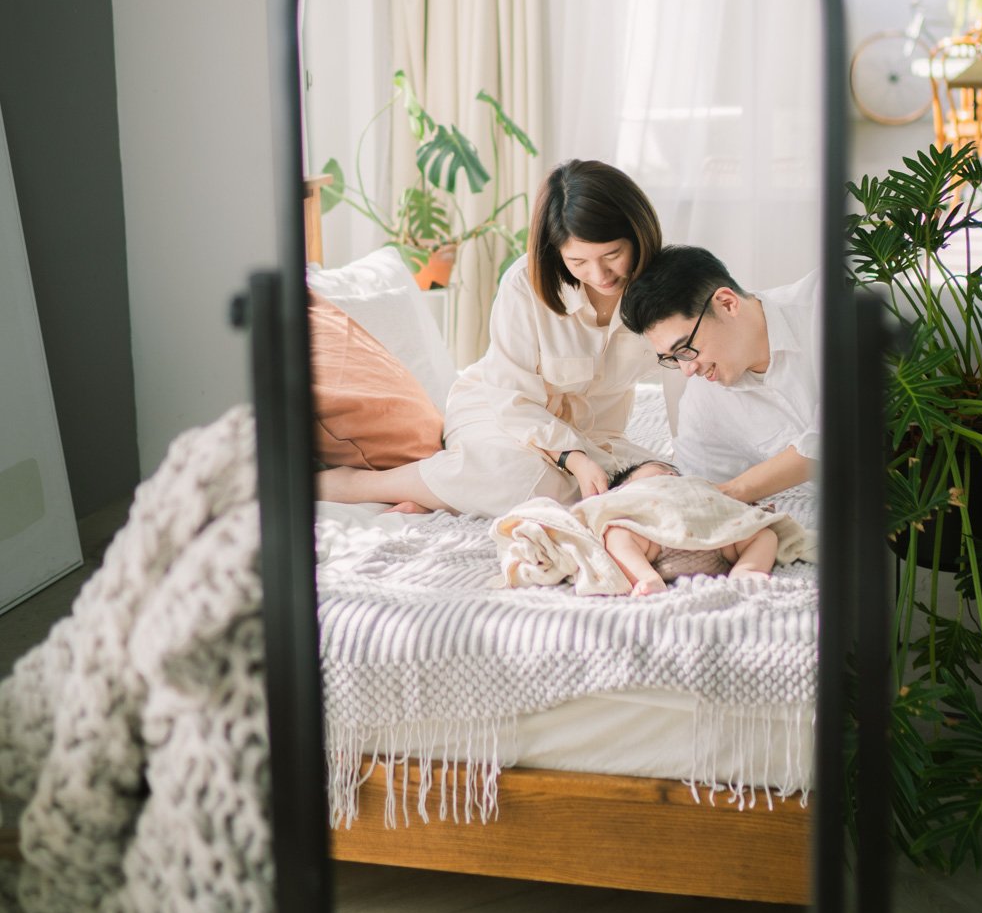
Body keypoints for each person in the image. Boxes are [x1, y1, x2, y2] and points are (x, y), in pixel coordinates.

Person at [315, 159, 666, 518]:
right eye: (578, 262)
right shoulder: (525, 284)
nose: (600, 274)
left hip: (593, 437)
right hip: (500, 413)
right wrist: (574, 458)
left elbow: (687, 371)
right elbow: (513, 399)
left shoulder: (665, 289)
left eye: (612, 255)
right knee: (522, 477)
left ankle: (442, 495)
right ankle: (365, 485)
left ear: (637, 235)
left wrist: (586, 458)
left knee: (659, 481)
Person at [620, 246, 819, 504]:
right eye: (673, 358)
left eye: (685, 349)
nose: (688, 370)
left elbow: (846, 429)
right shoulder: (703, 402)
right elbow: (695, 485)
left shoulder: (825, 305)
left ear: (727, 303)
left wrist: (739, 489)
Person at [600, 459, 780, 597]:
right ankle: (647, 577)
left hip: (717, 538)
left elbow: (726, 504)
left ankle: (746, 570)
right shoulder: (630, 496)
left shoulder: (699, 485)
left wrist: (750, 512)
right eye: (659, 472)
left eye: (672, 473)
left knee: (764, 534)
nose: (670, 474)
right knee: (616, 534)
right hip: (656, 542)